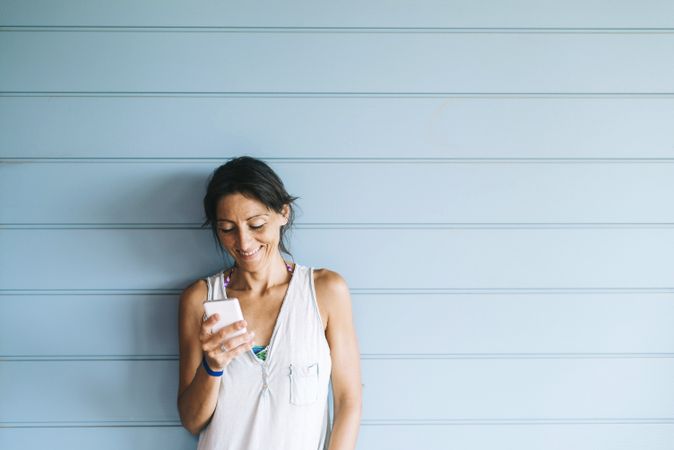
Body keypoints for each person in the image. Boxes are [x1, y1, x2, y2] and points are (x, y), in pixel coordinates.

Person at [177, 156, 362, 450]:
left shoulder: (326, 291)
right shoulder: (200, 300)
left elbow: (348, 400)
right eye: (227, 229)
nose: (244, 242)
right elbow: (192, 421)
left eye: (256, 225)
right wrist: (213, 367)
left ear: (283, 213)